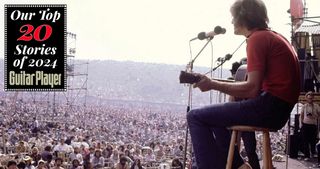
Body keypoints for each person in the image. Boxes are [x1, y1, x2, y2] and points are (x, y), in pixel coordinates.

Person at [186, 0, 301, 168]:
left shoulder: (257, 39)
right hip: (279, 109)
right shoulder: (272, 36)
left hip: (269, 107)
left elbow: (252, 89)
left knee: (194, 116)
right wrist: (213, 83)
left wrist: (212, 84)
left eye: (233, 18)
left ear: (244, 17)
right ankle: (238, 165)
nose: (232, 22)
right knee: (216, 117)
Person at [299, 91, 320, 160]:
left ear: (313, 98)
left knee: (313, 141)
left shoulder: (316, 106)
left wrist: (314, 116)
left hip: (313, 125)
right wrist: (301, 125)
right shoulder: (304, 106)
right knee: (305, 141)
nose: (310, 99)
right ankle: (307, 156)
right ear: (306, 99)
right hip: (305, 125)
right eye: (308, 98)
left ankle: (313, 153)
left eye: (311, 98)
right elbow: (301, 116)